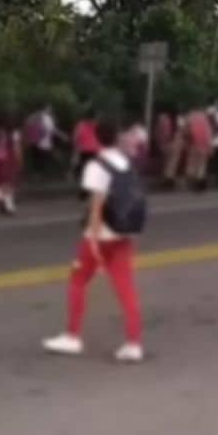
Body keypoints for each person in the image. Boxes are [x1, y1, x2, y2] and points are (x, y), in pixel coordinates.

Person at [43, 119, 145, 363]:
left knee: (77, 280)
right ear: (117, 137)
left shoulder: (96, 165)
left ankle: (73, 336)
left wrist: (93, 242)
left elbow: (96, 207)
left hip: (101, 235)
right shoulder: (126, 163)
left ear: (97, 138)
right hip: (124, 234)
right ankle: (133, 343)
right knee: (126, 289)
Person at [22, 104, 66, 175]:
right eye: (49, 108)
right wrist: (61, 135)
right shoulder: (46, 118)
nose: (51, 110)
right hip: (42, 143)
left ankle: (38, 174)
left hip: (37, 142)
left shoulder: (37, 116)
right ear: (46, 109)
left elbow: (28, 125)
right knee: (45, 158)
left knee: (39, 159)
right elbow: (52, 130)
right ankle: (42, 174)